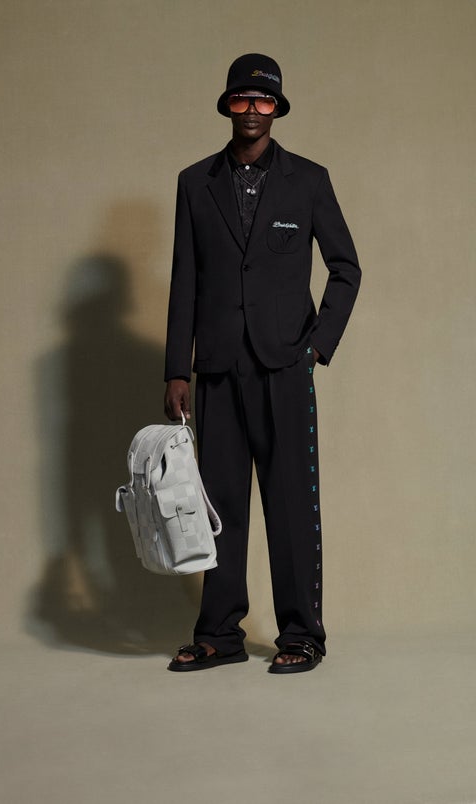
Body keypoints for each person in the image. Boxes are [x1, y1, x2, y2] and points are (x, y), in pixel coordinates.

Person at [163, 54, 361, 673]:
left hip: (284, 368)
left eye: (264, 100)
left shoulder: (309, 181)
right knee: (218, 506)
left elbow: (346, 267)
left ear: (277, 108)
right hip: (218, 368)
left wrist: (318, 344)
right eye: (241, 99)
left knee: (292, 504)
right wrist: (176, 369)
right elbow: (185, 281)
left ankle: (301, 635)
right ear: (227, 106)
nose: (252, 109)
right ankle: (220, 635)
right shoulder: (194, 183)